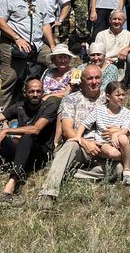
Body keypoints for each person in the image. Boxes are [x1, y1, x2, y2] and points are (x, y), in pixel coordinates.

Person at [0, 78, 60, 202]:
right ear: (25, 93)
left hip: (41, 155)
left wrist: (6, 131)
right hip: (22, 152)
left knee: (27, 135)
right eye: (31, 91)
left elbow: (35, 129)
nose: (35, 94)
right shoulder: (20, 106)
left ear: (43, 93)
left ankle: (11, 183)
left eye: (38, 91)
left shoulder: (49, 107)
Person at [36, 64, 105, 209]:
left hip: (103, 148)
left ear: (102, 79)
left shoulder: (109, 98)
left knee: (117, 170)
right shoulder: (71, 99)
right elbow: (67, 130)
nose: (94, 82)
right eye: (90, 78)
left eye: (97, 78)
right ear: (82, 80)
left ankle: (72, 173)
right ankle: (48, 193)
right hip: (79, 146)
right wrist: (85, 143)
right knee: (70, 144)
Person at [0, 0, 56, 106]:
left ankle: (51, 100)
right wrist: (17, 38)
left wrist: (52, 46)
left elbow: (46, 25)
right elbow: (0, 22)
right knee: (9, 79)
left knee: (58, 62)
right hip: (14, 44)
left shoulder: (40, 3)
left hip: (37, 45)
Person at [73, 81, 130, 185]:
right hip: (103, 143)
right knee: (113, 153)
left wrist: (115, 134)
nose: (121, 97)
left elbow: (125, 129)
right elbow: (84, 123)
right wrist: (78, 137)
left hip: (119, 142)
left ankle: (127, 170)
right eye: (118, 95)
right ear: (108, 97)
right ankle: (125, 157)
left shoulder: (126, 112)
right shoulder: (100, 110)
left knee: (123, 138)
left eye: (123, 95)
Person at [91, 9, 130, 86]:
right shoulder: (101, 34)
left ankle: (126, 80)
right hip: (105, 62)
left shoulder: (129, 35)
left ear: (124, 21)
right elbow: (96, 51)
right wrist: (104, 59)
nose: (117, 22)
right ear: (110, 20)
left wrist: (128, 49)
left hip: (121, 62)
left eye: (119, 19)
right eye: (114, 19)